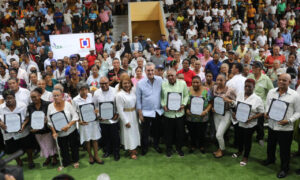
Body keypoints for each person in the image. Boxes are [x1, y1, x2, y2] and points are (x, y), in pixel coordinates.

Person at [263, 74, 300, 178]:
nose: (281, 82)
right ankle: (270, 159)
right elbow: (268, 105)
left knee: (284, 150)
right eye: (279, 79)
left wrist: (288, 120)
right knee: (271, 145)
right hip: (271, 125)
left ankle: (284, 169)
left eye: (284, 80)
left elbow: (298, 112)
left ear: (289, 82)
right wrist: (266, 112)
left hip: (285, 128)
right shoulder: (271, 92)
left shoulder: (295, 95)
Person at [231, 79, 264, 166]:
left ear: (254, 87)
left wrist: (252, 118)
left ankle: (245, 156)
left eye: (250, 86)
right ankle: (239, 151)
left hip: (250, 124)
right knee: (239, 138)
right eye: (246, 86)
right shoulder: (240, 94)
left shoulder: (257, 99)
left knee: (247, 140)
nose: (247, 88)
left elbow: (261, 113)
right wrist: (234, 113)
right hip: (239, 121)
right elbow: (236, 106)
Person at [0, 90, 35, 169]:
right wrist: (0, 123)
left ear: (14, 97)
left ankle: (30, 160)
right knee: (13, 149)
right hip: (8, 133)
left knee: (28, 146)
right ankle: (19, 162)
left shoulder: (22, 105)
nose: (8, 100)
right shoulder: (1, 108)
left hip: (22, 130)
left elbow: (27, 117)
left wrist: (23, 125)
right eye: (6, 98)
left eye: (10, 98)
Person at [47, 88, 80, 169]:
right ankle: (66, 162)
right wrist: (54, 132)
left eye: (57, 95)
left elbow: (75, 116)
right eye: (54, 96)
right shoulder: (50, 106)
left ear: (62, 95)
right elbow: (49, 121)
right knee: (63, 148)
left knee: (74, 146)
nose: (56, 97)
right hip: (60, 132)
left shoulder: (68, 104)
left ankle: (75, 160)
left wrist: (68, 125)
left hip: (71, 129)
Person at [136, 62, 163, 155]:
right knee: (145, 132)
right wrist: (140, 113)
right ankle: (144, 148)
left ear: (154, 70)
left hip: (158, 111)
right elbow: (138, 99)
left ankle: (156, 145)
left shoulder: (160, 80)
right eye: (148, 70)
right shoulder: (140, 83)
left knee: (157, 130)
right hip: (146, 112)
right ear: (145, 71)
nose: (150, 72)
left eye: (152, 70)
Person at [73, 82, 103, 165]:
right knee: (87, 140)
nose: (84, 91)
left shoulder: (92, 96)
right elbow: (74, 113)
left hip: (93, 121)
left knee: (95, 139)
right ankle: (90, 156)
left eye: (85, 89)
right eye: (82, 90)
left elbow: (96, 107)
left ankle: (96, 156)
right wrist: (79, 121)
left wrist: (97, 111)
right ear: (79, 90)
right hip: (84, 123)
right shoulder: (75, 100)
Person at [161, 69, 189, 157]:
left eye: (172, 75)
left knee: (180, 133)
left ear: (176, 75)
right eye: (168, 76)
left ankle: (179, 149)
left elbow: (186, 95)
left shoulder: (183, 83)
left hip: (179, 113)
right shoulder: (163, 85)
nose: (170, 77)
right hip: (168, 114)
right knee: (168, 133)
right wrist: (163, 105)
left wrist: (183, 104)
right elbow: (161, 97)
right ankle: (168, 149)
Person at [28, 88, 57, 166]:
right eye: (32, 97)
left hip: (47, 128)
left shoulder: (47, 104)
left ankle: (54, 157)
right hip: (36, 130)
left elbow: (52, 115)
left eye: (35, 97)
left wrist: (47, 119)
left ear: (40, 95)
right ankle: (47, 158)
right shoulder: (30, 106)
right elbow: (30, 118)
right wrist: (31, 128)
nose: (33, 99)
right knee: (42, 145)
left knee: (50, 144)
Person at [93, 77, 120, 161]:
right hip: (103, 119)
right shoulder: (97, 93)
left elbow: (119, 104)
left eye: (105, 83)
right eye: (102, 83)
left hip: (113, 119)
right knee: (106, 137)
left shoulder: (115, 91)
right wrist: (98, 116)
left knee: (115, 137)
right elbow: (95, 106)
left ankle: (116, 153)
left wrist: (117, 114)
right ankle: (107, 151)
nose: (104, 85)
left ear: (109, 82)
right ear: (99, 84)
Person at [248, 61, 274, 146]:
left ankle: (260, 138)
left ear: (260, 69)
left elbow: (272, 92)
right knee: (248, 121)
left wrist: (267, 105)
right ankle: (248, 136)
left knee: (260, 123)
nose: (253, 69)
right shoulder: (250, 77)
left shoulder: (266, 79)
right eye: (252, 67)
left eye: (255, 67)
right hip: (250, 103)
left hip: (261, 105)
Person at [116, 74, 140, 159]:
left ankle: (134, 148)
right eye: (125, 83)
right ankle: (131, 151)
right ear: (121, 84)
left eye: (128, 83)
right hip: (126, 115)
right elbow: (120, 110)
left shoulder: (133, 91)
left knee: (134, 132)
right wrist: (125, 121)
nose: (127, 85)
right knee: (129, 133)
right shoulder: (119, 95)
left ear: (131, 83)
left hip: (134, 114)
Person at [212, 73, 236, 158]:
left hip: (226, 113)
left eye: (221, 80)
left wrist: (229, 100)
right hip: (216, 113)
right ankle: (219, 148)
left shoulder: (230, 90)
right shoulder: (214, 88)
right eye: (217, 80)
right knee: (218, 134)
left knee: (219, 134)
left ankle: (222, 150)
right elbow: (212, 100)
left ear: (225, 80)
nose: (219, 82)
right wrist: (212, 108)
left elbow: (235, 103)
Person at [186, 76, 212, 153]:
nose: (195, 84)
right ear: (191, 83)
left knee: (202, 132)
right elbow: (184, 101)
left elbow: (210, 103)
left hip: (203, 116)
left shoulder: (206, 90)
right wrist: (186, 109)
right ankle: (193, 145)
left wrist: (206, 111)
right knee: (192, 132)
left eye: (197, 82)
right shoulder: (188, 90)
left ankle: (201, 146)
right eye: (194, 82)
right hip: (191, 116)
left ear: (200, 83)